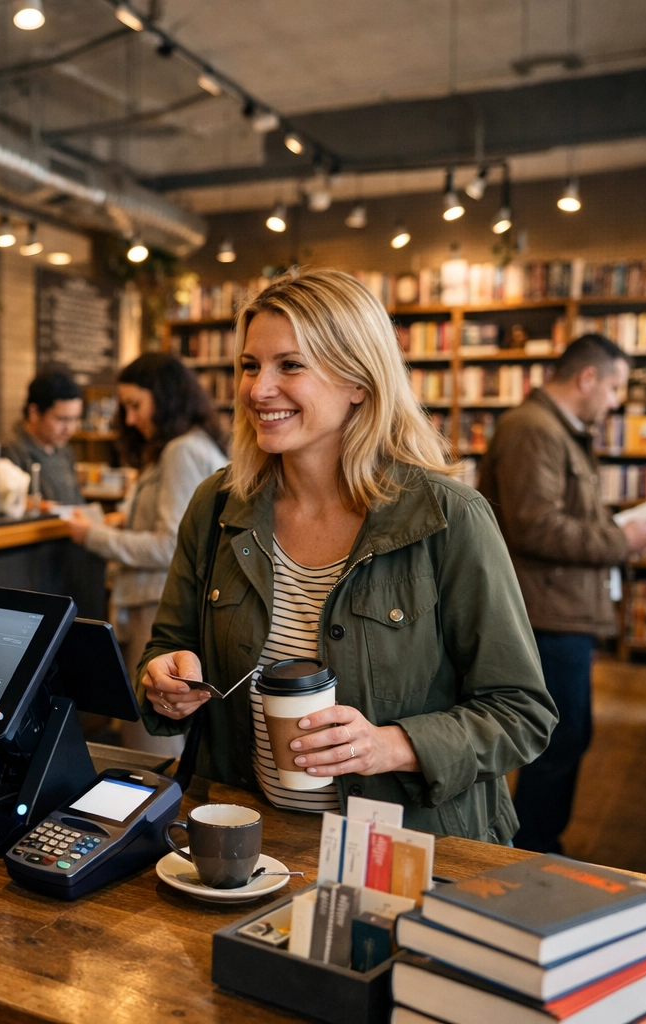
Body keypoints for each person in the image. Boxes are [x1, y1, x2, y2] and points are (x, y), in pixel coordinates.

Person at [138, 269, 555, 839]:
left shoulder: (448, 517)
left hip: (408, 847)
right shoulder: (218, 504)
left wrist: (391, 745)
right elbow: (168, 646)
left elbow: (520, 712)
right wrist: (163, 680)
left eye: (290, 365)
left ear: (358, 380)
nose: (259, 390)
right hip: (248, 840)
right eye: (250, 365)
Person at [477, 333, 646, 854]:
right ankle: (533, 849)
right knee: (556, 739)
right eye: (612, 387)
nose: (614, 401)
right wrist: (621, 540)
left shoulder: (557, 429)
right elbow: (535, 526)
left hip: (562, 608)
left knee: (568, 736)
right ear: (586, 378)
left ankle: (538, 842)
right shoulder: (532, 429)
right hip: (545, 612)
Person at [68, 353, 228, 755]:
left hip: (157, 605)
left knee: (149, 737)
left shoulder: (181, 452)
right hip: (157, 601)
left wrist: (94, 536)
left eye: (136, 405)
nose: (131, 418)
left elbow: (168, 544)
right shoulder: (195, 444)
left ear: (166, 398)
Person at [3, 370, 84, 507]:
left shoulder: (64, 451)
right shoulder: (11, 451)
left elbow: (77, 502)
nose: (69, 429)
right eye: (62, 419)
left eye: (75, 419)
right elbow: (9, 503)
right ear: (34, 412)